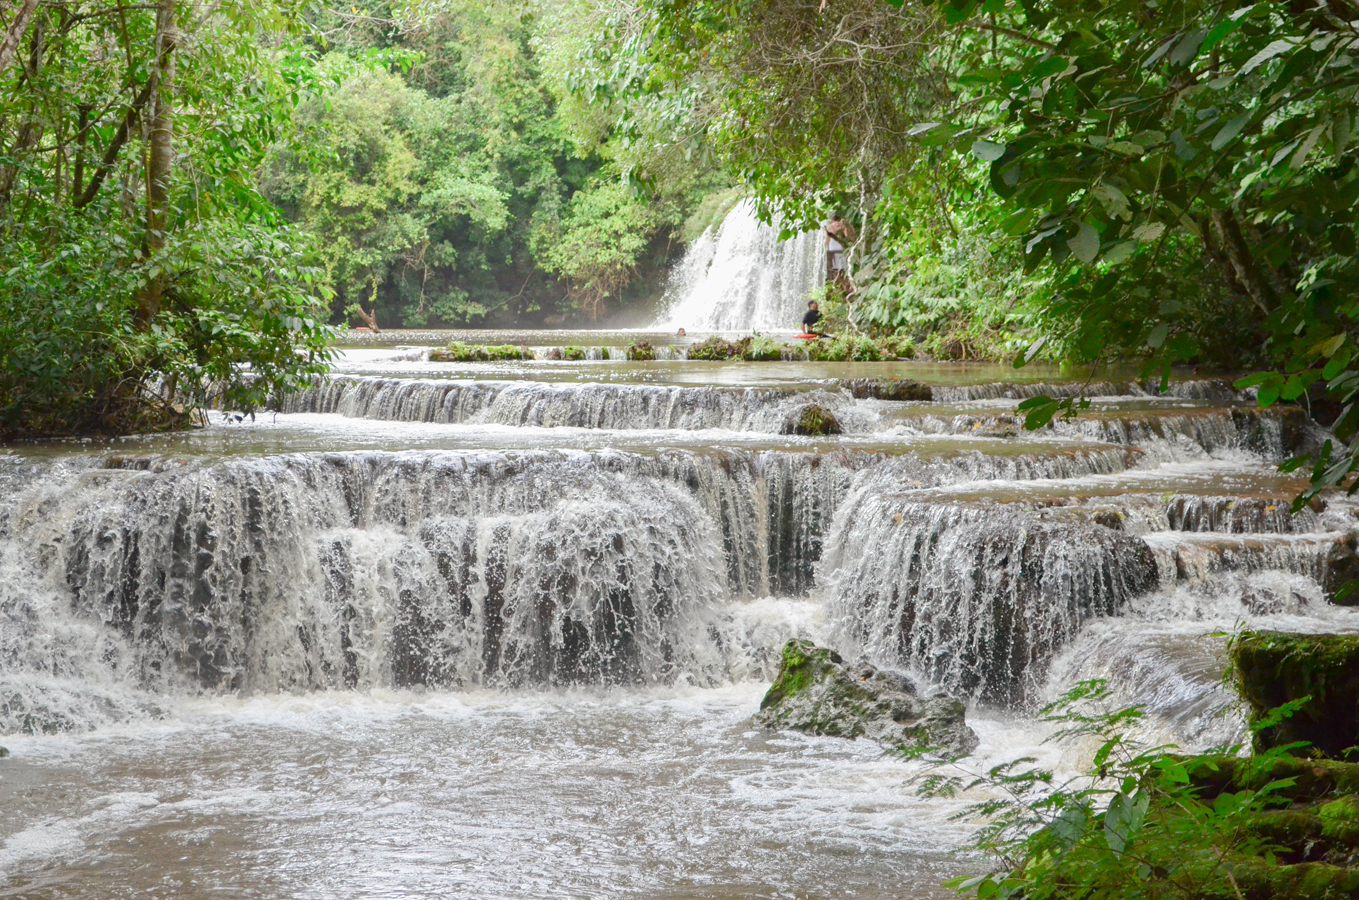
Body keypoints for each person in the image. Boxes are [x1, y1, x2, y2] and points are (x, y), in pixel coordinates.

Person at [825, 214, 854, 289]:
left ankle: (839, 285)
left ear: (833, 220)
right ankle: (845, 284)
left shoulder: (829, 227)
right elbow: (846, 235)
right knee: (842, 268)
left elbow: (827, 241)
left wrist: (829, 248)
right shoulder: (842, 225)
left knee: (835, 269)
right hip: (841, 248)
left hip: (832, 248)